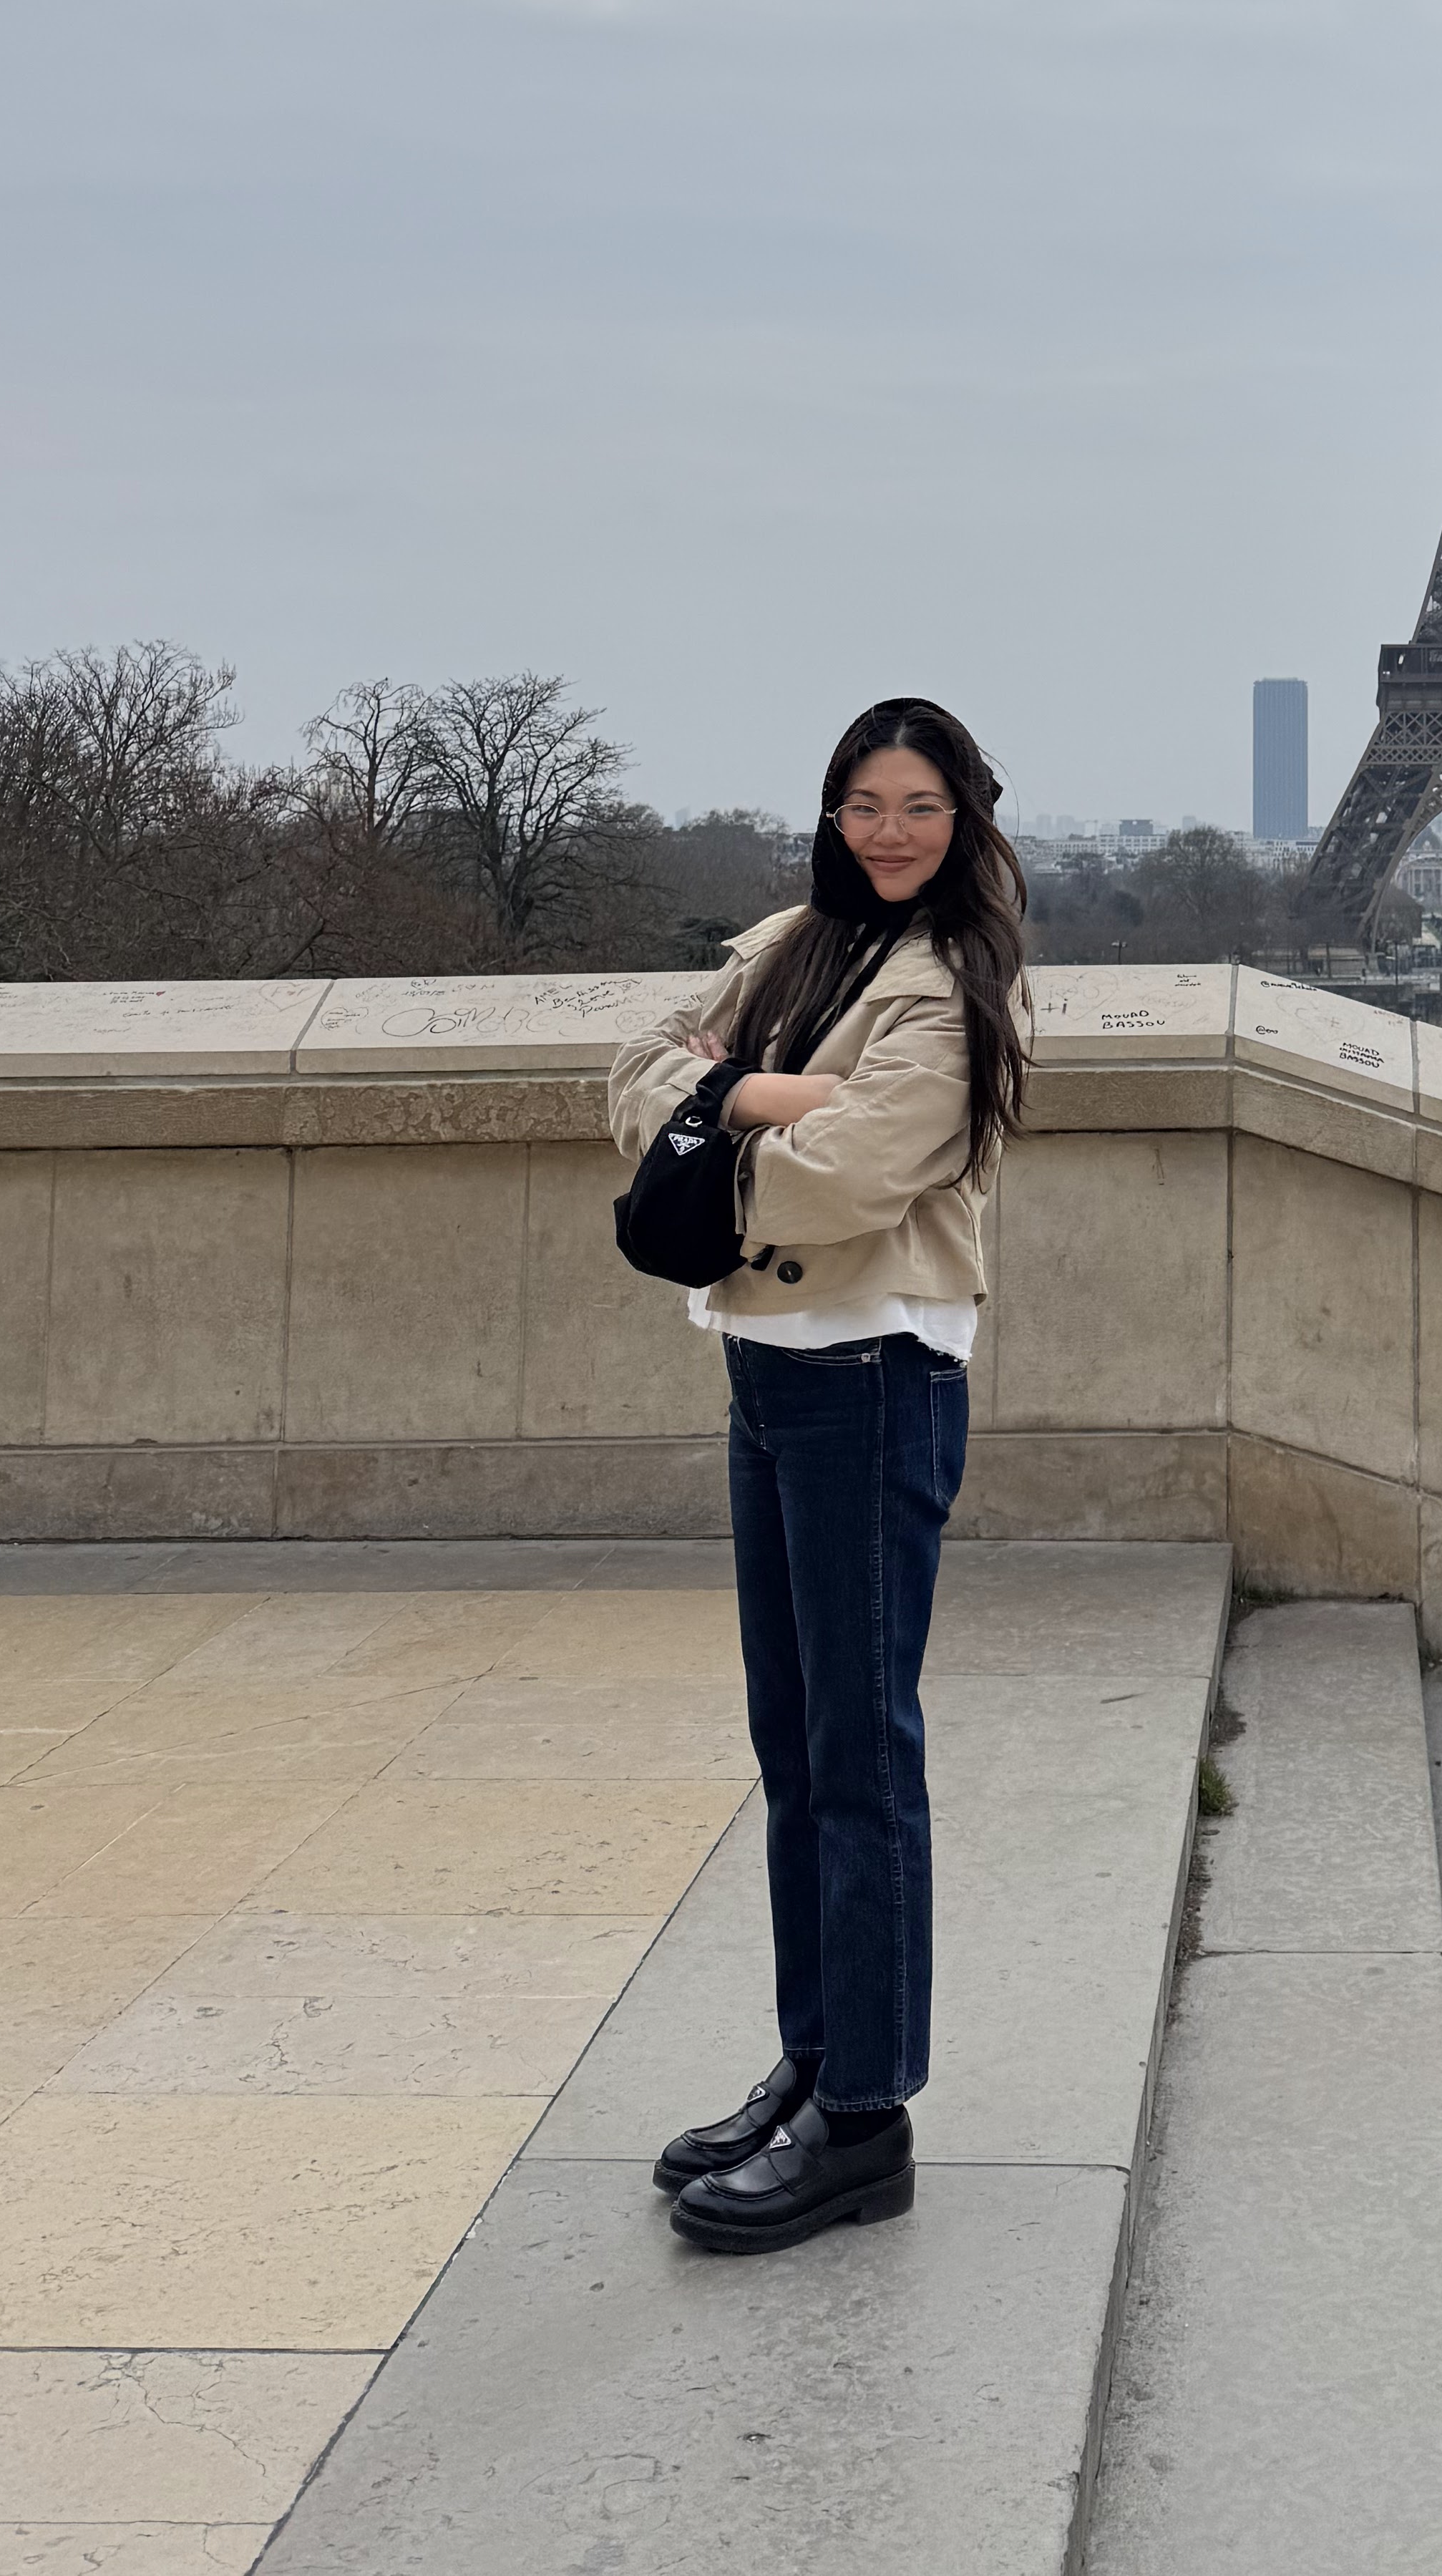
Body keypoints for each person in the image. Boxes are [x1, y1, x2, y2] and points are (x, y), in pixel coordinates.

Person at [608, 695, 1030, 2253]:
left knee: (858, 1755)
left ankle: (868, 2119)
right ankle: (816, 2057)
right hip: (768, 1367)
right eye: (865, 800)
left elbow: (860, 1179)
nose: (890, 829)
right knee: (793, 1743)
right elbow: (632, 1067)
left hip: (869, 1379)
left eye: (920, 803)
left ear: (967, 817)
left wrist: (714, 1103)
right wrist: (754, 1094)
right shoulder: (799, 941)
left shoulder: (954, 989)